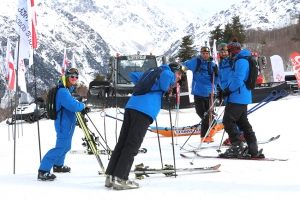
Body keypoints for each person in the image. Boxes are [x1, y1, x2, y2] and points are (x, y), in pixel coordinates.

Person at [105, 63, 184, 190]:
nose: (179, 78)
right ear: (174, 70)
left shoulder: (153, 74)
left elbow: (134, 75)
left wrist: (150, 79)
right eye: (179, 74)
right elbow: (165, 81)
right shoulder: (166, 73)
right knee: (132, 144)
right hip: (144, 111)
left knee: (123, 142)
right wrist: (170, 81)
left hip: (131, 107)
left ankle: (110, 177)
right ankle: (120, 179)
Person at [218, 38, 264, 158]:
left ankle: (237, 147)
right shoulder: (241, 59)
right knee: (243, 123)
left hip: (237, 96)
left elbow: (238, 80)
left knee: (228, 122)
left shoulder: (241, 61)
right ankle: (253, 149)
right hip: (241, 96)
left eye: (229, 51)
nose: (228, 53)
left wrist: (227, 90)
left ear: (233, 50)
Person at [38, 68, 85, 181]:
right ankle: (43, 171)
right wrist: (83, 106)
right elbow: (73, 105)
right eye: (72, 76)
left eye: (76, 77)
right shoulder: (63, 91)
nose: (74, 79)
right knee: (61, 147)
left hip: (67, 123)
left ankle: (58, 166)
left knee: (66, 146)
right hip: (63, 123)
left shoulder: (66, 90)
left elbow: (72, 103)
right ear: (66, 77)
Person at [181, 46, 219, 143]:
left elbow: (215, 81)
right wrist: (181, 70)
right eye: (203, 53)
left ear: (209, 54)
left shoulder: (212, 64)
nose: (205, 55)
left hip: (210, 93)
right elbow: (183, 65)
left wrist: (217, 74)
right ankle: (213, 124)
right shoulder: (195, 62)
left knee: (208, 114)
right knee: (201, 112)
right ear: (201, 54)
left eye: (207, 53)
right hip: (198, 92)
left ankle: (205, 137)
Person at [216, 42, 246, 146]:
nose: (223, 53)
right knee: (233, 115)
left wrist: (229, 88)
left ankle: (238, 135)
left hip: (232, 90)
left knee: (232, 116)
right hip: (225, 90)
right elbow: (220, 77)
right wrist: (219, 88)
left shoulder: (231, 60)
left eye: (225, 51)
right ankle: (239, 134)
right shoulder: (220, 62)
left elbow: (235, 75)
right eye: (221, 52)